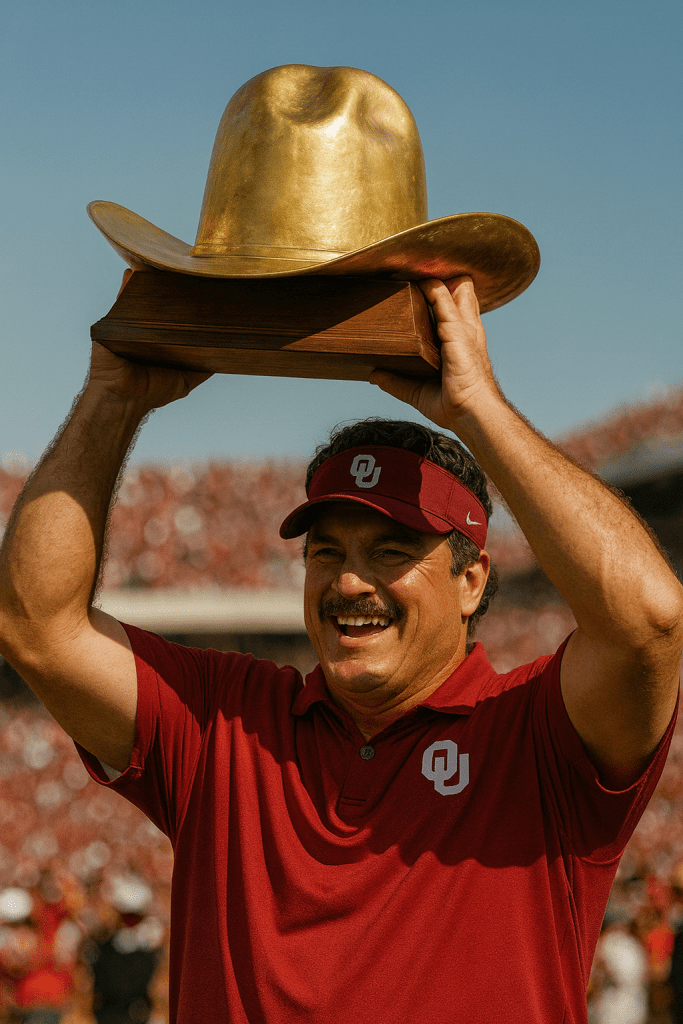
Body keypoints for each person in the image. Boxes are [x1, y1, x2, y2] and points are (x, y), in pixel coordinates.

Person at [0, 274, 681, 1024]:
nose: (350, 581)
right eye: (325, 553)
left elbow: (648, 620)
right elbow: (38, 626)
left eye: (391, 551)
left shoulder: (537, 736)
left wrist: (477, 409)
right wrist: (113, 396)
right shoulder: (225, 720)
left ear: (470, 579)